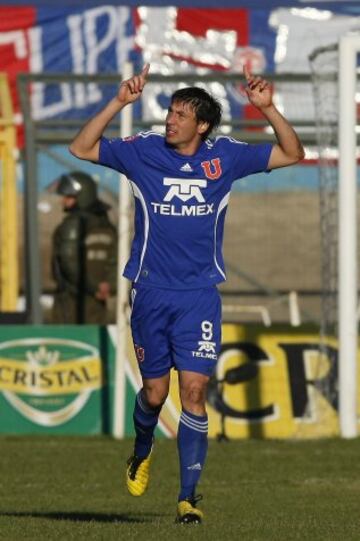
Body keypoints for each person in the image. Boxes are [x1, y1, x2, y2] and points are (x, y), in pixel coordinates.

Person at [69, 64, 304, 523]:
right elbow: (80, 147)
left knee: (194, 391)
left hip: (198, 295)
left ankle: (188, 498)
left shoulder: (227, 157)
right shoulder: (142, 152)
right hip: (151, 291)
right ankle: (141, 451)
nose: (169, 120)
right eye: (170, 111)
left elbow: (293, 153)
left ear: (203, 126)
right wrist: (119, 101)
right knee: (155, 396)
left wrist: (268, 109)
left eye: (180, 114)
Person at [51, 171, 117, 324]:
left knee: (68, 344)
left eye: (68, 196)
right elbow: (117, 261)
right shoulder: (106, 225)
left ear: (81, 195)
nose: (63, 201)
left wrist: (94, 287)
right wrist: (109, 287)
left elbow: (69, 264)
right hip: (98, 300)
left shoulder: (73, 224)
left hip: (72, 300)